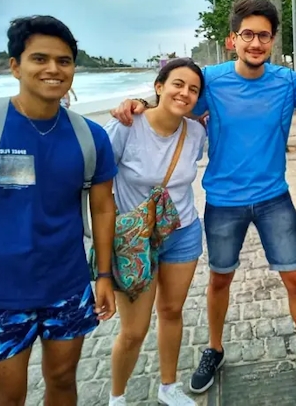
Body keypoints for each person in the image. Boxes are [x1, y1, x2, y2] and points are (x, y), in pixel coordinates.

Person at [109, 0, 296, 396]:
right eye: (248, 35)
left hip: (274, 197)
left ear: (272, 41)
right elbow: (176, 102)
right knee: (220, 280)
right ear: (232, 38)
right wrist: (140, 103)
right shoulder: (212, 81)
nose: (256, 43)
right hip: (222, 200)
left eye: (264, 36)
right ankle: (214, 349)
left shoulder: (286, 82)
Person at [0, 16, 117, 405]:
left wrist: (103, 274)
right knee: (6, 397)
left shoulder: (90, 136)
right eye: (39, 58)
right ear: (14, 66)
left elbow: (103, 208)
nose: (53, 69)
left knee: (62, 381)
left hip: (67, 287)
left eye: (64, 60)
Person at [106, 58, 207, 406]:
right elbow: (99, 183)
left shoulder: (196, 133)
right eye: (178, 84)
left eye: (193, 89)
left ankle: (168, 387)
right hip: (135, 240)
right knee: (133, 331)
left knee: (172, 312)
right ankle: (117, 397)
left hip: (183, 233)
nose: (185, 93)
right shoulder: (126, 125)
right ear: (159, 86)